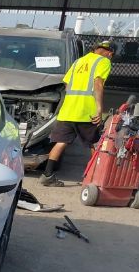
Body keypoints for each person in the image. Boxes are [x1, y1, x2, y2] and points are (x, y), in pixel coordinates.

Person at [40, 40, 116, 186]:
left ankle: (47, 175)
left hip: (68, 110)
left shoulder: (78, 62)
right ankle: (94, 178)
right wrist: (99, 108)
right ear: (110, 53)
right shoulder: (103, 61)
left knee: (61, 142)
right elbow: (98, 83)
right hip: (86, 111)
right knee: (95, 144)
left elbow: (67, 84)